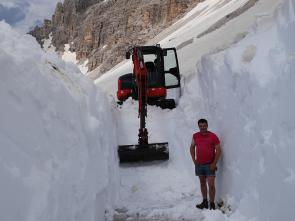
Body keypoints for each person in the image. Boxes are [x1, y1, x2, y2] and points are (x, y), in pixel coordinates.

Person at [190, 119, 221, 210]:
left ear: (207, 125)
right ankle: (204, 201)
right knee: (202, 183)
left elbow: (218, 150)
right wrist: (194, 159)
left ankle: (212, 203)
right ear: (198, 126)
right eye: (201, 126)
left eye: (204, 125)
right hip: (199, 165)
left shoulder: (213, 136)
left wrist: (214, 163)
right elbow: (192, 147)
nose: (202, 127)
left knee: (211, 185)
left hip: (210, 165)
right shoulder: (195, 136)